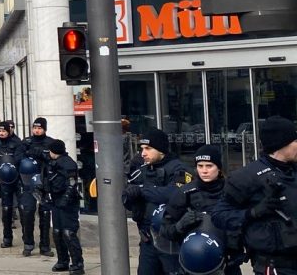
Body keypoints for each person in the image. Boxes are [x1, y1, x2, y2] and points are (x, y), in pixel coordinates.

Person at [212, 116, 297, 275]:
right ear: (282, 144)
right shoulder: (246, 177)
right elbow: (219, 215)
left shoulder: (292, 171)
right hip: (274, 265)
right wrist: (253, 212)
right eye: (296, 141)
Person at [162, 145, 241, 275]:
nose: (204, 171)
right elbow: (165, 230)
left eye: (209, 166)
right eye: (200, 166)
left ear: (219, 168)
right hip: (194, 263)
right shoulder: (185, 193)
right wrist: (180, 225)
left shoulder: (232, 191)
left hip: (228, 263)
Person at [123, 128, 191, 275]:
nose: (143, 153)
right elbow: (128, 198)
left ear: (161, 150)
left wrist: (142, 190)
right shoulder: (141, 170)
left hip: (171, 241)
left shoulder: (180, 169)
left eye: (148, 148)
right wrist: (131, 196)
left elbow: (175, 194)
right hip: (147, 240)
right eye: (142, 149)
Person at [20, 117, 57, 257]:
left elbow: (56, 159)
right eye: (35, 127)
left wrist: (43, 155)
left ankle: (45, 245)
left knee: (45, 215)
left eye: (40, 128)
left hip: (45, 182)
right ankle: (28, 243)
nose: (37, 130)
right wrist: (28, 154)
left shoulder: (51, 143)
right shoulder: (26, 142)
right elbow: (18, 158)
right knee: (28, 212)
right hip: (29, 182)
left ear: (44, 129)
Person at [47, 140, 84, 275]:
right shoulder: (52, 163)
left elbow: (72, 183)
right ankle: (62, 261)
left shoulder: (68, 163)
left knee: (69, 233)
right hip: (56, 200)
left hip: (68, 202)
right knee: (57, 231)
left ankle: (77, 263)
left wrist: (66, 198)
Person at [0, 121, 24, 247]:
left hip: (17, 179)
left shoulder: (17, 144)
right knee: (6, 209)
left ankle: (26, 236)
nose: (2, 133)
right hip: (2, 180)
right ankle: (7, 238)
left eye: (4, 131)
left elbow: (20, 160)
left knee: (22, 208)